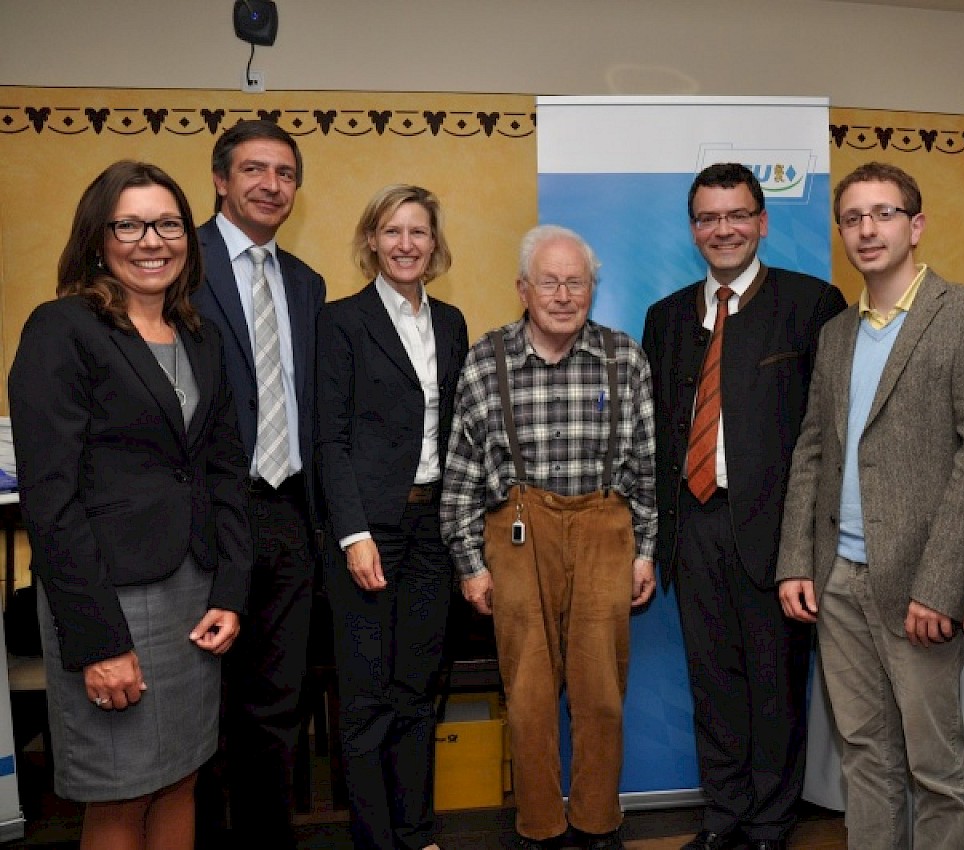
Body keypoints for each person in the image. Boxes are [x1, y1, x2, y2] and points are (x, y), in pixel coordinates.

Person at [9, 160, 251, 849]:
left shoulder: (200, 336)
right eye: (131, 226)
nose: (153, 242)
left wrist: (230, 589)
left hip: (194, 594)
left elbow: (224, 470)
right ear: (98, 238)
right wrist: (99, 641)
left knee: (182, 777)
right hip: (107, 597)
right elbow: (50, 501)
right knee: (121, 792)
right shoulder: (62, 329)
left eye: (169, 225)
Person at [775, 162, 964, 850]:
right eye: (853, 218)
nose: (867, 230)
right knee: (865, 759)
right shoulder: (836, 334)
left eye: (883, 213)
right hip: (837, 581)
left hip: (918, 587)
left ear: (916, 224)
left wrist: (942, 586)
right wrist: (796, 561)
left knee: (938, 770)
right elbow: (812, 451)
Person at [641, 162, 847, 850]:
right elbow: (657, 431)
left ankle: (769, 824)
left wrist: (810, 544)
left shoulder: (812, 304)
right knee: (712, 682)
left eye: (736, 215)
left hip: (778, 532)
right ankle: (723, 817)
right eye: (708, 218)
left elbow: (830, 433)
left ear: (762, 221)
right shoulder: (667, 317)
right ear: (693, 229)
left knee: (776, 684)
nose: (722, 229)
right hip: (693, 525)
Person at [441, 225, 656, 850]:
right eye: (550, 282)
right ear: (523, 289)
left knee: (601, 693)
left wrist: (645, 551)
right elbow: (462, 470)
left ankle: (597, 821)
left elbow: (647, 466)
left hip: (605, 534)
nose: (563, 296)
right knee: (529, 694)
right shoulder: (487, 359)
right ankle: (538, 825)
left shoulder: (624, 357)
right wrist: (469, 564)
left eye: (576, 283)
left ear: (592, 289)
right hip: (515, 539)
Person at [316, 185, 468, 850]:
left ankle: (416, 831)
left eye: (418, 232)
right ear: (371, 241)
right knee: (367, 698)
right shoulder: (340, 322)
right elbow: (330, 439)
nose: (406, 244)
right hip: (369, 533)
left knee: (417, 691)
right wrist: (353, 534)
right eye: (392, 231)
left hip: (433, 531)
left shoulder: (452, 323)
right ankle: (376, 840)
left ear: (434, 244)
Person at [191, 119, 326, 848]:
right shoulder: (180, 263)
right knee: (203, 712)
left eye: (285, 173)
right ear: (220, 179)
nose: (271, 185)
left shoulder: (305, 283)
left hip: (287, 515)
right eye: (254, 169)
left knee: (277, 708)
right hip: (208, 516)